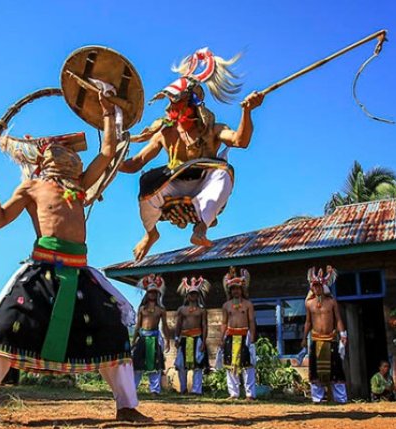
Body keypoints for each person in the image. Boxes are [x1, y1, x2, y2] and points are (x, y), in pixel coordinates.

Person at [0, 90, 149, 422]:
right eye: (59, 151)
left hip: (81, 273)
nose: (68, 157)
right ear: (43, 159)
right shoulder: (32, 188)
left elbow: (108, 151)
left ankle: (126, 406)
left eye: (70, 153)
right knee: (4, 326)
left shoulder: (79, 186)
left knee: (112, 330)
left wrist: (108, 111)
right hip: (41, 271)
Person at [119, 48, 265, 261]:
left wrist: (247, 111)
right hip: (173, 186)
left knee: (224, 173)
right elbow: (137, 162)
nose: (170, 106)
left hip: (204, 186)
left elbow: (240, 141)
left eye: (175, 102)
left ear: (191, 105)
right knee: (146, 182)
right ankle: (151, 234)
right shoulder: (165, 132)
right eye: (169, 102)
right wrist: (111, 161)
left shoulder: (212, 129)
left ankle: (201, 227)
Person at [302, 266, 348, 404]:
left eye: (318, 286)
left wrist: (343, 334)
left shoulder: (331, 302)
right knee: (316, 371)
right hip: (316, 340)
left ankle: (341, 399)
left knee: (336, 369)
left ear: (323, 286)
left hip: (331, 339)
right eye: (314, 286)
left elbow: (338, 319)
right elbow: (308, 322)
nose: (316, 288)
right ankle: (318, 399)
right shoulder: (309, 303)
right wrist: (304, 338)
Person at [221, 267, 256, 400]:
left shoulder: (248, 304)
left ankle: (249, 394)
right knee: (230, 365)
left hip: (244, 335)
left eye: (238, 288)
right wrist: (221, 338)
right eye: (233, 288)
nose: (236, 291)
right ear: (230, 290)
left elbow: (252, 321)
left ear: (242, 289)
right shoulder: (226, 305)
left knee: (247, 365)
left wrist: (252, 337)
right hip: (230, 335)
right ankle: (233, 393)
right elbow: (224, 323)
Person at [132, 275, 170, 395]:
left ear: (157, 294)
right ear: (147, 294)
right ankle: (132, 389)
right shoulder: (142, 309)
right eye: (150, 292)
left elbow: (164, 326)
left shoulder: (161, 310)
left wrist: (168, 340)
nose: (152, 295)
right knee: (137, 365)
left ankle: (155, 390)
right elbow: (138, 325)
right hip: (142, 338)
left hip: (154, 338)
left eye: (154, 293)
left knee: (155, 365)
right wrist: (133, 341)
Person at [174, 276, 210, 395]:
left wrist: (204, 341)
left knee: (198, 365)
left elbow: (204, 325)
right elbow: (178, 325)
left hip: (197, 338)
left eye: (195, 294)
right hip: (184, 338)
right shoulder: (182, 310)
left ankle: (196, 389)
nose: (193, 296)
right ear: (187, 296)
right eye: (191, 294)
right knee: (180, 364)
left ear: (198, 295)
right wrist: (176, 338)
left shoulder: (201, 310)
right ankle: (183, 388)